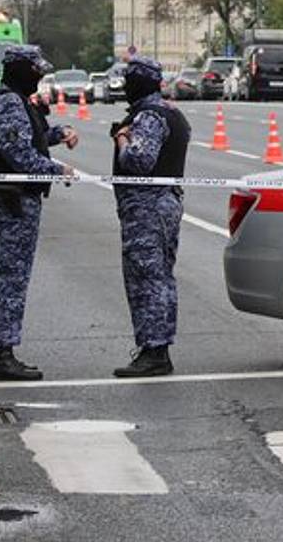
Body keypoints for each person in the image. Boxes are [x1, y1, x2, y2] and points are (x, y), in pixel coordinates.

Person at [0, 45, 78, 381]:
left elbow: (27, 138)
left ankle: (3, 350)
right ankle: (1, 354)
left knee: (13, 278)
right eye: (36, 71)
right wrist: (57, 170)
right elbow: (19, 155)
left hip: (16, 199)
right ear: (22, 70)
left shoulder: (15, 101)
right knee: (11, 280)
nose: (40, 78)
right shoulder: (8, 102)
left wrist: (56, 134)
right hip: (13, 200)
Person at [110, 55, 189, 378]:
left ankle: (154, 350)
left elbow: (139, 161)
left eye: (130, 80)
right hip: (163, 205)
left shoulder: (148, 117)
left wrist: (122, 139)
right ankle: (158, 347)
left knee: (147, 279)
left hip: (148, 209)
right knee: (161, 277)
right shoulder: (171, 112)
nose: (126, 86)